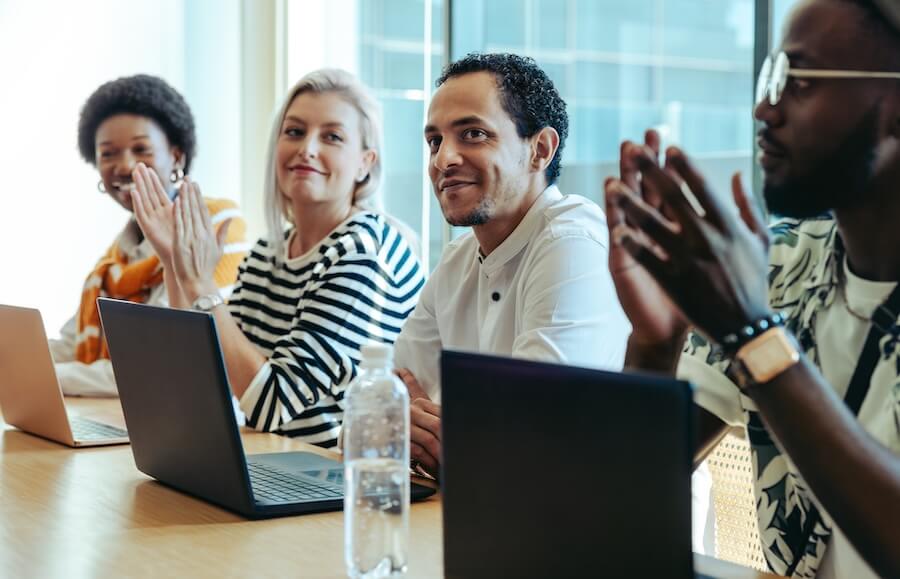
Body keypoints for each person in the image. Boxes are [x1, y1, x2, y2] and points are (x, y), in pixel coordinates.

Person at [604, 0, 900, 577]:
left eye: (800, 81)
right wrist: (654, 346)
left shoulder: (754, 293)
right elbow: (621, 491)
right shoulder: (782, 263)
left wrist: (755, 336)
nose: (764, 109)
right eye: (772, 78)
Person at [133, 69, 424, 448]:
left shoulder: (365, 253)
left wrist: (200, 283)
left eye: (332, 136)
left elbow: (272, 403)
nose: (307, 148)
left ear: (365, 163)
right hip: (271, 461)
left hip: (330, 479)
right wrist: (174, 260)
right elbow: (200, 376)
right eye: (294, 131)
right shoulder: (269, 252)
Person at [393, 53, 631, 477]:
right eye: (434, 141)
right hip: (489, 511)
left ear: (540, 149)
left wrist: (446, 432)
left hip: (601, 525)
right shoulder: (457, 259)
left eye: (473, 134)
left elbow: (528, 442)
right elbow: (381, 412)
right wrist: (412, 428)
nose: (443, 159)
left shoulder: (573, 242)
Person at [49, 74, 248, 397]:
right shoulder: (115, 258)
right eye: (108, 153)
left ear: (177, 156)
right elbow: (71, 345)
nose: (125, 166)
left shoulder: (212, 226)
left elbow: (156, 362)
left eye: (141, 149)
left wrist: (51, 378)